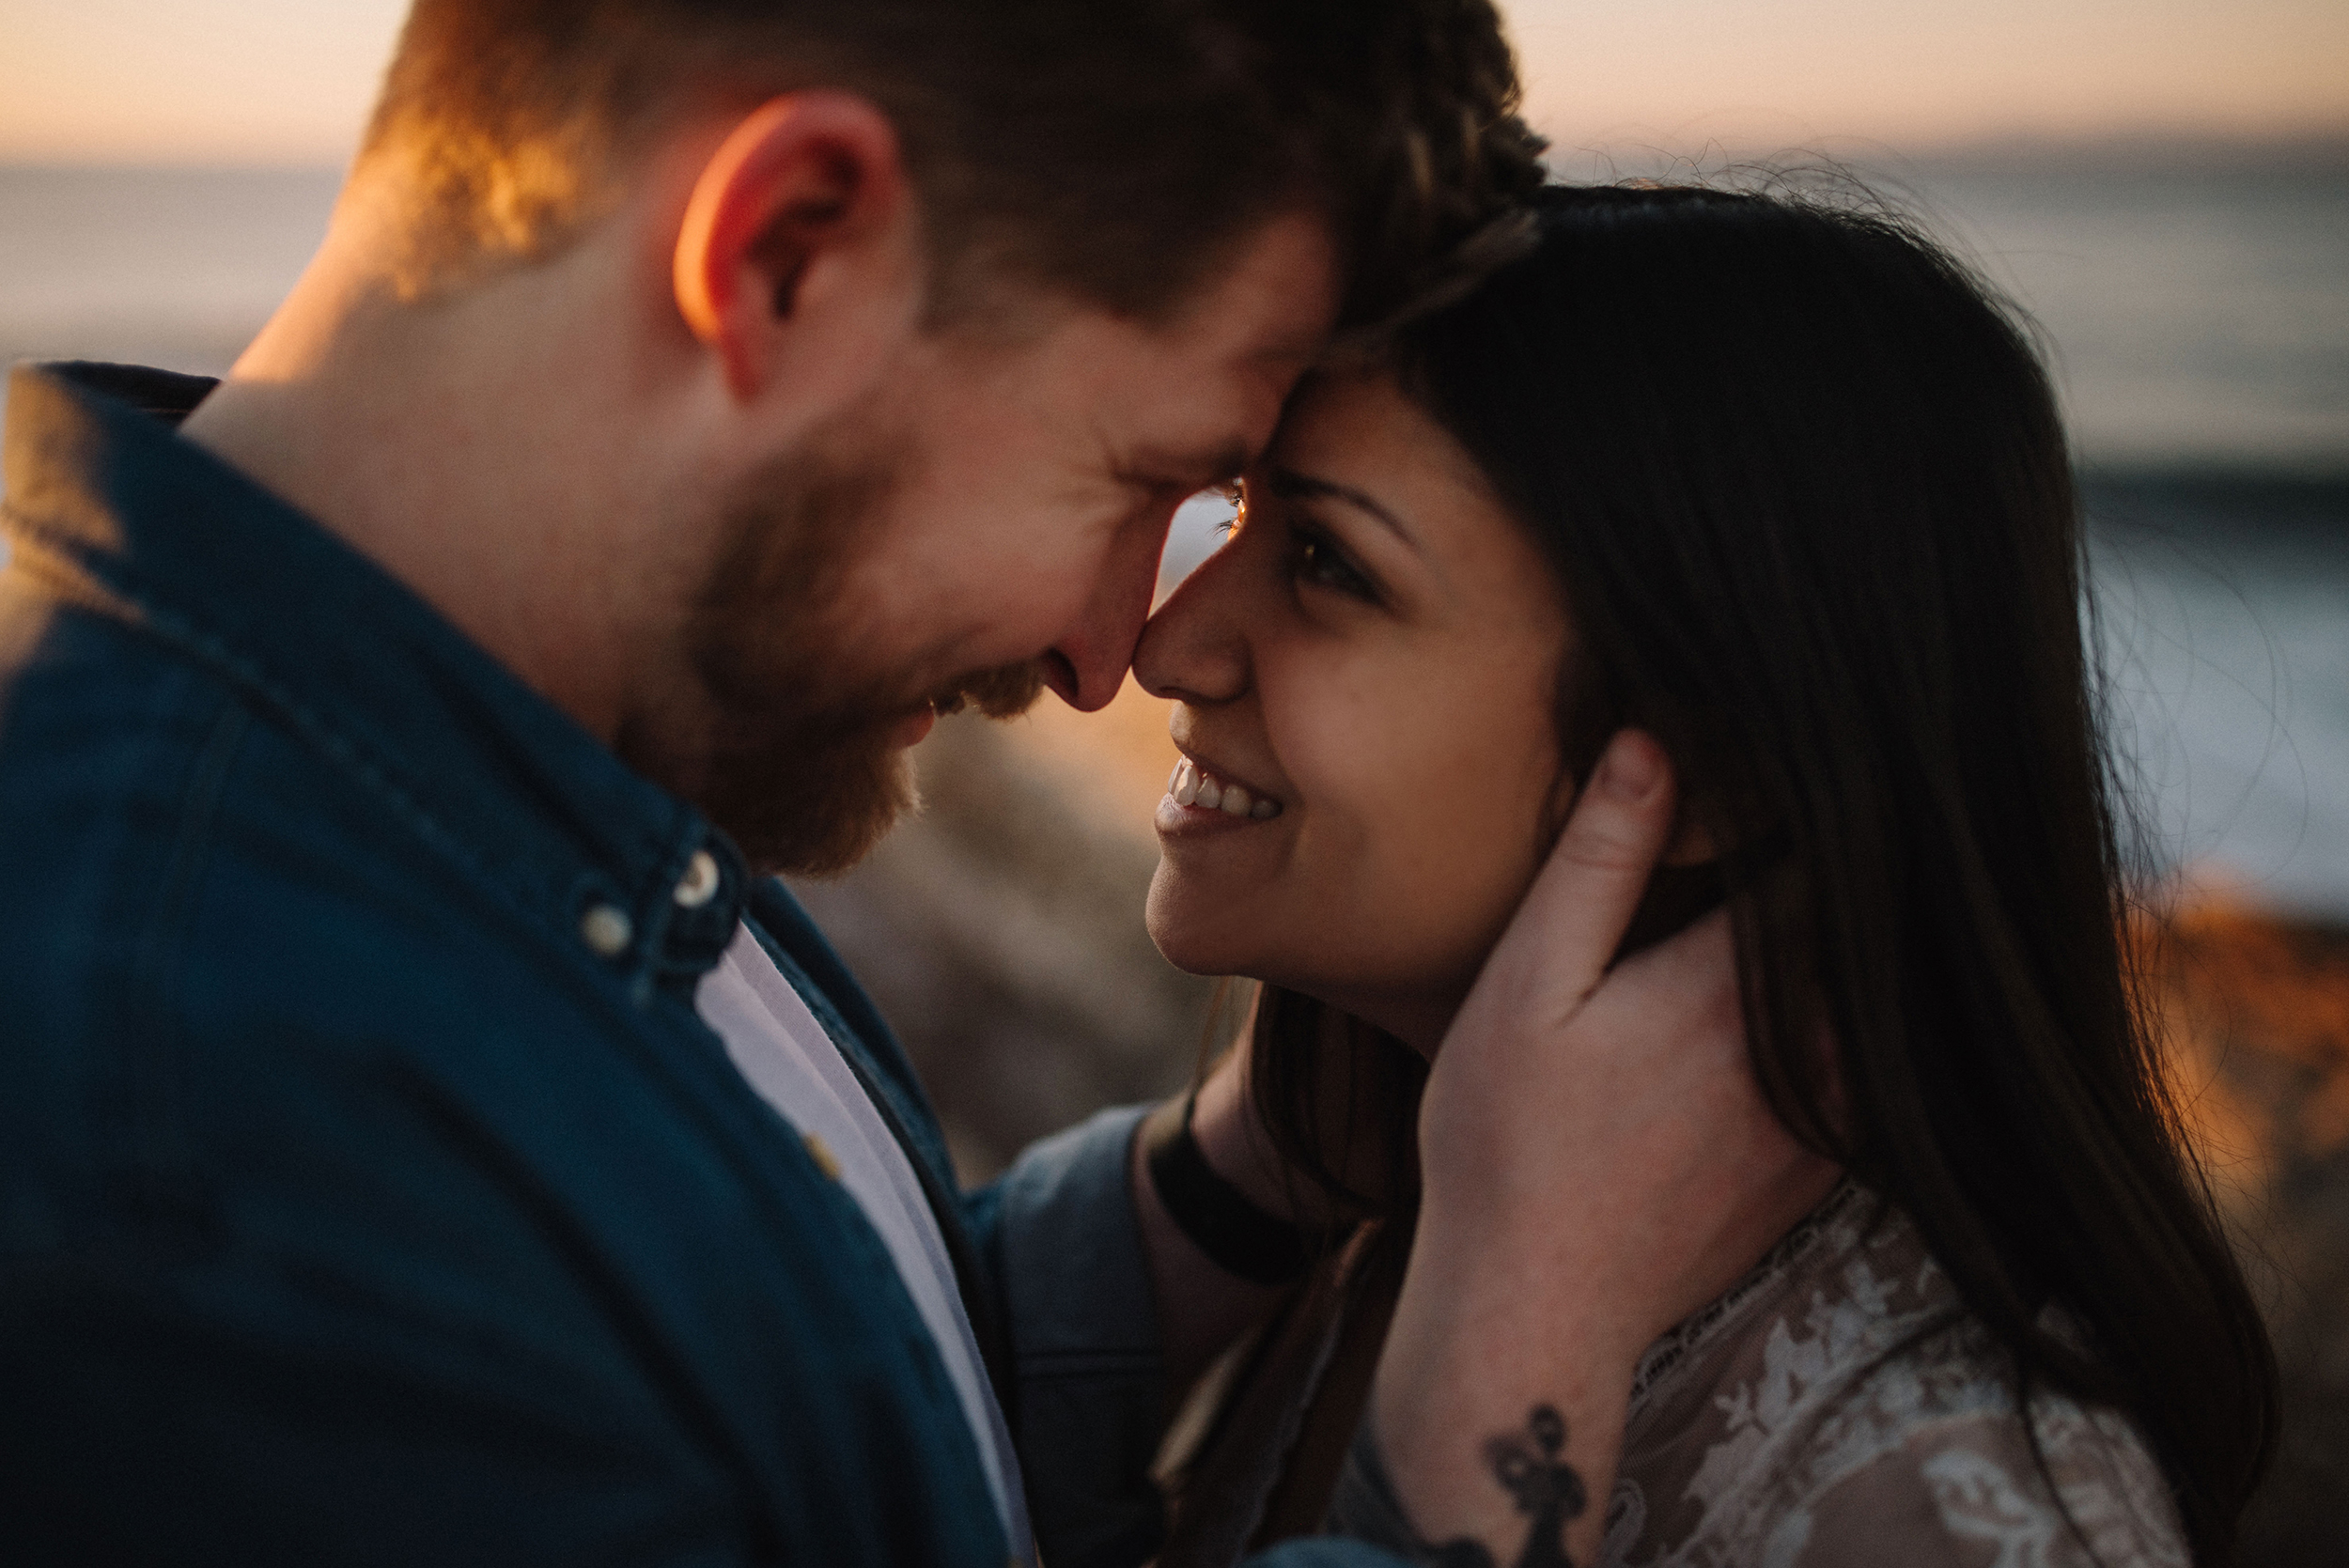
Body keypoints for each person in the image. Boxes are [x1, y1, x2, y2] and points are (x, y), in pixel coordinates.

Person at [0, 8, 1828, 1567]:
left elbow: (766, 1408)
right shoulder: (198, 1123)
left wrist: (1237, 1184)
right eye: (1145, 477)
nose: (1111, 652)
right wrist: (1512, 1382)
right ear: (787, 248)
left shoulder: (501, 746)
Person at [1130, 184, 2279, 1566]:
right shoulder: (1377, 1196)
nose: (1169, 645)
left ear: (1717, 769)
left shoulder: (1940, 1515)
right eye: (1238, 515)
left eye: (1325, 561)